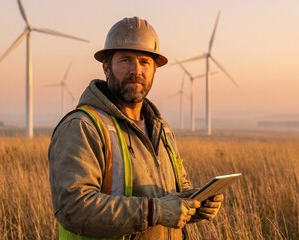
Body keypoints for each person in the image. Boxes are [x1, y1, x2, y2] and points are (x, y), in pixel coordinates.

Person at [48, 16, 224, 239]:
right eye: (125, 60)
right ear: (106, 67)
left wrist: (197, 203)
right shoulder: (83, 127)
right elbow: (73, 207)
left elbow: (174, 192)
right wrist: (153, 211)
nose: (136, 70)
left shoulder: (162, 130)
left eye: (144, 62)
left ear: (154, 70)